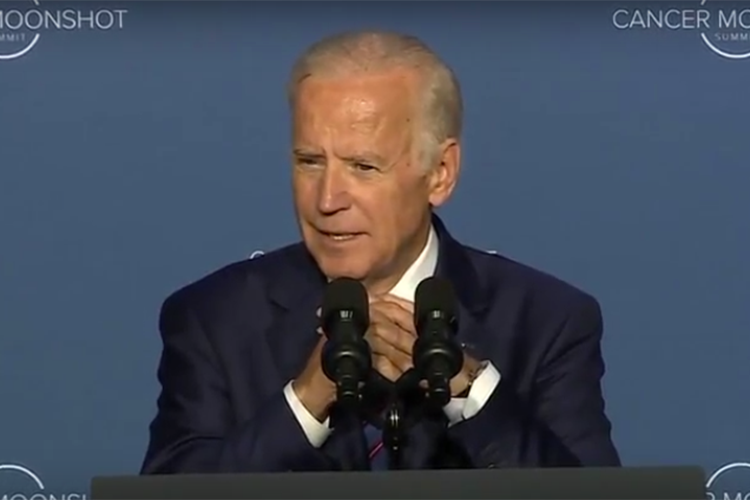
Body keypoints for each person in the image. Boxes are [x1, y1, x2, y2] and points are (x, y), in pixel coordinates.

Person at [140, 30, 620, 474]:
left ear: (441, 173)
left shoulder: (546, 322)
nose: (327, 200)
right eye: (309, 162)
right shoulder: (214, 321)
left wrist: (471, 393)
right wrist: (304, 404)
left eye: (363, 166)